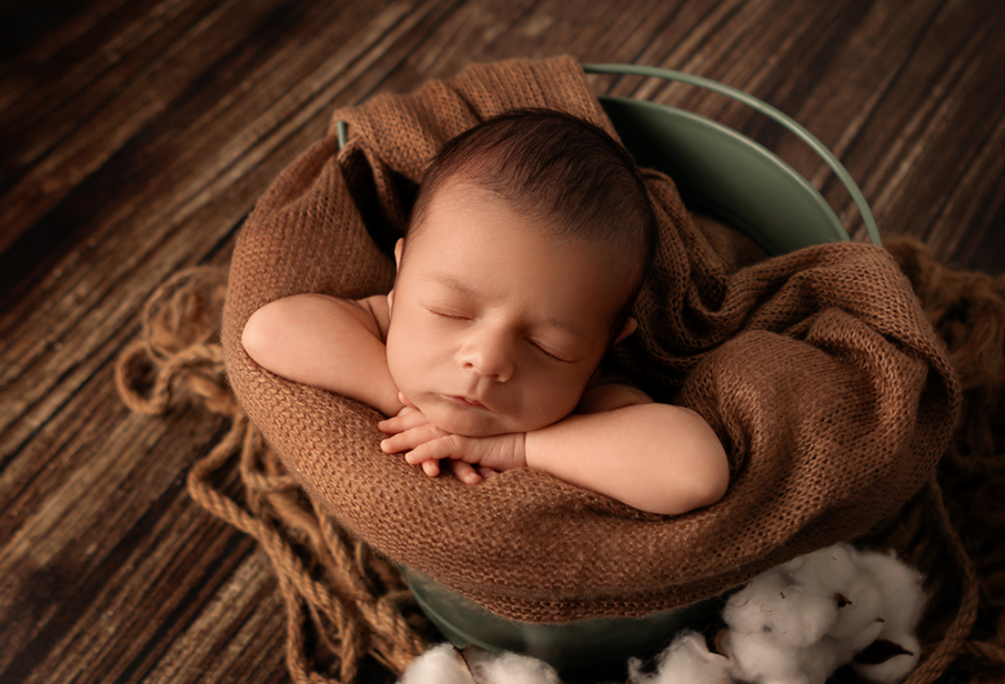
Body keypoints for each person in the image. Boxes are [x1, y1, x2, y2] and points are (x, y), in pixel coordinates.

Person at [241, 109, 728, 516]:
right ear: (401, 275)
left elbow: (693, 473)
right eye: (450, 311)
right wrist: (405, 402)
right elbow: (271, 329)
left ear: (603, 346)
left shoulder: (591, 403)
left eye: (547, 346)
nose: (487, 359)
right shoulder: (391, 324)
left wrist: (516, 448)